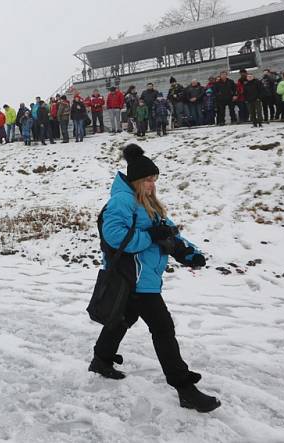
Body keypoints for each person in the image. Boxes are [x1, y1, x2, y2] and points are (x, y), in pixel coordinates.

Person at [89, 144, 220, 413]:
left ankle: (101, 360)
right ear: (137, 180)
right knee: (163, 328)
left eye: (154, 180)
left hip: (144, 276)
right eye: (148, 180)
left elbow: (169, 233)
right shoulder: (121, 201)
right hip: (133, 278)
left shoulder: (149, 203)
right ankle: (184, 388)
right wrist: (151, 237)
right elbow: (114, 237)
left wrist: (189, 253)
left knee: (123, 319)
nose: (152, 184)